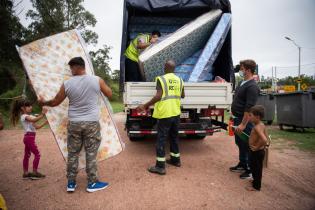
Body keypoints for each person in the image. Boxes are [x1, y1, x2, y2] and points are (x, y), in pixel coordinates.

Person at [38, 57, 112, 193]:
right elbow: (110, 93)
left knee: (73, 153)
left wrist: (44, 102)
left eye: (71, 68)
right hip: (91, 123)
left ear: (78, 67)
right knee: (91, 153)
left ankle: (71, 183)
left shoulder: (67, 84)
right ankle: (92, 183)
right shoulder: (97, 80)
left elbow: (55, 102)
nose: (70, 71)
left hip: (74, 123)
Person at [137, 59, 185, 175]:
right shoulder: (180, 80)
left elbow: (158, 96)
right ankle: (175, 160)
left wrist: (145, 105)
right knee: (174, 137)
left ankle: (160, 166)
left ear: (165, 68)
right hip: (176, 112)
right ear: (174, 69)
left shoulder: (161, 79)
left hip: (165, 113)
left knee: (161, 139)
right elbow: (183, 95)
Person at [229, 59, 260, 179]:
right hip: (238, 118)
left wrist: (243, 124)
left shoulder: (252, 86)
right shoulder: (243, 83)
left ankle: (250, 170)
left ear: (247, 70)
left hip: (244, 121)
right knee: (240, 143)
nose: (240, 71)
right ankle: (243, 164)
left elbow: (249, 108)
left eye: (241, 68)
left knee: (247, 144)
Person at [10, 99, 48, 180]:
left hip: (29, 138)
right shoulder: (24, 116)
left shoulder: (29, 116)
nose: (30, 107)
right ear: (22, 108)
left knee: (27, 155)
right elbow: (34, 119)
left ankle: (26, 173)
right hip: (29, 138)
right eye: (28, 106)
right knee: (37, 154)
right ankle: (34, 172)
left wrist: (45, 123)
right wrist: (42, 114)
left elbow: (36, 127)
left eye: (30, 105)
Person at [246, 105, 269, 191]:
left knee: (256, 169)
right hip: (259, 151)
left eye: (251, 115)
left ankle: (256, 187)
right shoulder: (261, 124)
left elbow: (264, 139)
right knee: (255, 167)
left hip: (256, 152)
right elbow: (266, 137)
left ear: (257, 116)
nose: (249, 117)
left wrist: (256, 147)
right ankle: (255, 181)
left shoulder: (257, 127)